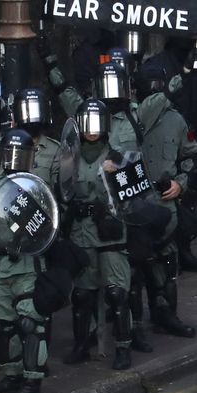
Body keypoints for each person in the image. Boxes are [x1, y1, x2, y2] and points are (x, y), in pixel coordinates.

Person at [0, 129, 87, 393]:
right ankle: (12, 376)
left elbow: (47, 227)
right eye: (10, 153)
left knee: (30, 323)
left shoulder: (37, 187)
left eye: (20, 154)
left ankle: (32, 383)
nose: (14, 159)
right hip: (2, 263)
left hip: (28, 264)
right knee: (3, 323)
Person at [61, 100, 133, 369]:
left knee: (117, 292)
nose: (92, 130)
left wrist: (113, 184)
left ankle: (123, 347)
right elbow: (63, 192)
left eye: (97, 123)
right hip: (81, 233)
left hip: (110, 234)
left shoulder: (117, 156)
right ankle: (81, 345)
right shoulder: (70, 158)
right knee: (82, 295)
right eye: (86, 123)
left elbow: (133, 198)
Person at [134, 62, 197, 339]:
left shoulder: (176, 120)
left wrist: (180, 185)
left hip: (166, 207)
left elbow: (189, 158)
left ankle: (167, 316)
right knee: (137, 269)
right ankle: (132, 327)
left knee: (168, 266)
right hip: (136, 207)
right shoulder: (134, 116)